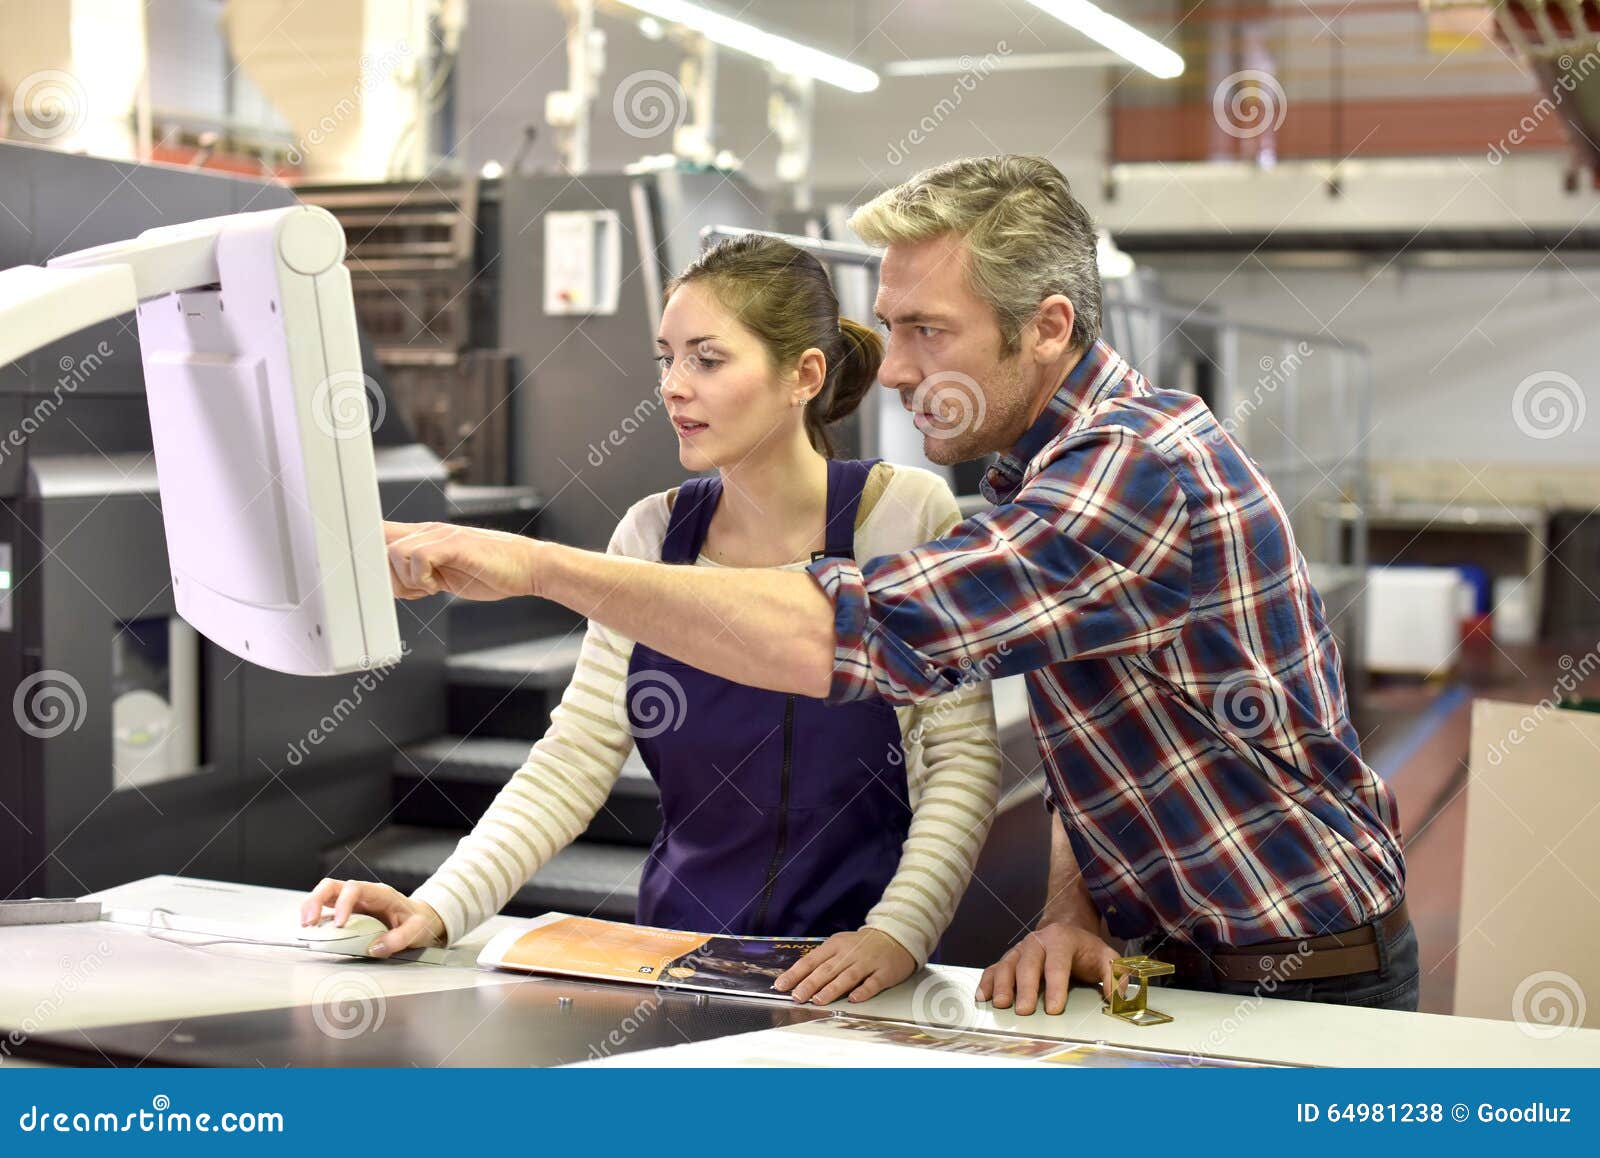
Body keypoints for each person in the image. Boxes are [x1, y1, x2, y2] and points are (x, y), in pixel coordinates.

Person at [378, 155, 1415, 1015]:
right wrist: (1073, 908)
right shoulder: (1032, 477)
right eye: (893, 323)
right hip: (1173, 968)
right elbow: (1097, 749)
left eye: (929, 330)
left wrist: (535, 568)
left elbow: (853, 633)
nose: (901, 367)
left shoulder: (1130, 475)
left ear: (1046, 327)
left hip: (1299, 979)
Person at [303, 234, 999, 1007]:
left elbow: (960, 760)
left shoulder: (902, 514)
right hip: (676, 955)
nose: (673, 386)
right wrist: (438, 906)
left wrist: (896, 935)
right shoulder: (650, 533)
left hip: (853, 967)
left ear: (803, 374)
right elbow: (574, 757)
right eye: (666, 358)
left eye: (707, 358)